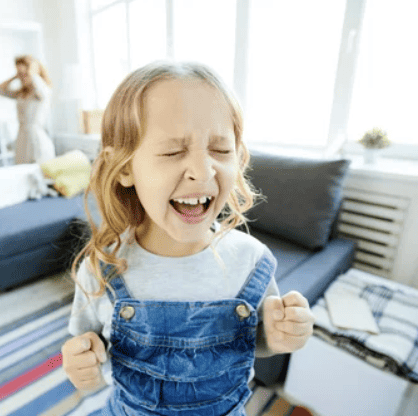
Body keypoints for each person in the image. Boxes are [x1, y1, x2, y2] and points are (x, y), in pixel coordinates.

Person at [61, 61, 315, 415]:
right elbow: (87, 346)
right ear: (124, 169)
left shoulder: (250, 261)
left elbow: (257, 342)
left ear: (238, 159)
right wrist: (83, 370)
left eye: (221, 150)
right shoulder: (104, 265)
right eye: (172, 151)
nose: (203, 170)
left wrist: (280, 335)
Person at [0, 55, 55, 164]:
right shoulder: (21, 93)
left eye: (25, 74)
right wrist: (14, 77)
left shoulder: (41, 92)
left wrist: (31, 73)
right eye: (20, 74)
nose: (23, 77)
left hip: (36, 138)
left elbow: (41, 88)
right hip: (22, 137)